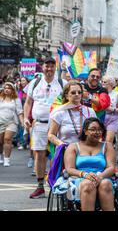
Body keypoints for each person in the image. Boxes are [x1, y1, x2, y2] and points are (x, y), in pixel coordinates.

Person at [23, 57, 66, 198]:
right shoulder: (34, 83)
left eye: (52, 66)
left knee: (57, 154)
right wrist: (25, 118)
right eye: (47, 66)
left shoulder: (62, 83)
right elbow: (28, 102)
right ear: (42, 67)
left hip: (57, 124)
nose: (49, 69)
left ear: (55, 68)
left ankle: (56, 184)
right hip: (39, 123)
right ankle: (40, 186)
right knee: (39, 154)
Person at [64, 117, 116, 211]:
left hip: (102, 176)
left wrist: (100, 176)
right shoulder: (73, 147)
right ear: (85, 131)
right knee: (88, 184)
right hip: (80, 177)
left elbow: (111, 167)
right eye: (93, 129)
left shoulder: (107, 146)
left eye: (100, 130)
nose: (97, 132)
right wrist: (85, 174)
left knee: (106, 184)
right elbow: (70, 169)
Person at [48, 81, 96, 147]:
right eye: (73, 93)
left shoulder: (90, 111)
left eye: (79, 92)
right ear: (67, 96)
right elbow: (51, 134)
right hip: (66, 150)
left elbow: (97, 131)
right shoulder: (59, 113)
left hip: (86, 151)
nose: (77, 94)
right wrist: (61, 144)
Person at [0, 82, 24, 167]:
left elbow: (20, 112)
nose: (6, 89)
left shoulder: (16, 99)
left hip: (12, 122)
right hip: (1, 122)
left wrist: (22, 122)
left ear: (12, 90)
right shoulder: (0, 98)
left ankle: (7, 159)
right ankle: (1, 155)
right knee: (0, 141)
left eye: (9, 88)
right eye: (5, 88)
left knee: (7, 139)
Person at [101, 76, 118, 144]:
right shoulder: (99, 93)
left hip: (112, 119)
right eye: (102, 82)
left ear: (111, 83)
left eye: (105, 82)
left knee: (108, 141)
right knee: (100, 140)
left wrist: (112, 109)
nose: (103, 83)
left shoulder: (116, 94)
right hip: (101, 118)